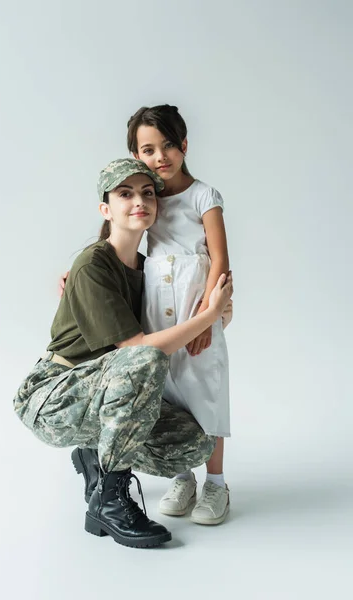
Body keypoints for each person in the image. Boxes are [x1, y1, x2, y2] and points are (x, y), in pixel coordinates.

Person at [14, 158, 233, 549]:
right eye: (125, 193)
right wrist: (208, 317)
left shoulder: (149, 270)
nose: (139, 201)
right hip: (50, 397)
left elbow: (181, 320)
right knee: (145, 358)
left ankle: (92, 455)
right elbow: (137, 351)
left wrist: (215, 312)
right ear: (106, 209)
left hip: (99, 395)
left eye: (147, 193)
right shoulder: (92, 264)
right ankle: (110, 502)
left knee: (194, 443)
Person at [126, 104, 232, 525]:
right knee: (168, 398)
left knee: (206, 393)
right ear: (137, 156)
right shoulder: (145, 199)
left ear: (184, 145)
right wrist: (77, 271)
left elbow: (220, 259)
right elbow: (119, 246)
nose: (160, 157)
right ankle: (182, 476)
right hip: (157, 315)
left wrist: (208, 317)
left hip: (197, 309)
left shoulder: (204, 196)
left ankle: (217, 485)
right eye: (149, 149)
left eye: (168, 145)